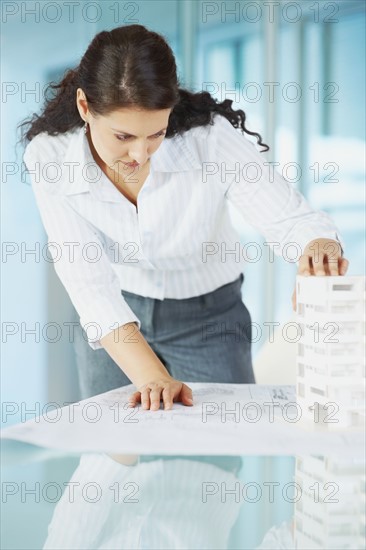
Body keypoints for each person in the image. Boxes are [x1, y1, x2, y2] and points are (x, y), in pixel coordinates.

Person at [19, 25, 349, 411]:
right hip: (115, 318)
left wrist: (316, 247)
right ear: (84, 107)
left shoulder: (208, 140)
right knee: (113, 458)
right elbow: (86, 281)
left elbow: (288, 218)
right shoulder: (50, 157)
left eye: (155, 134)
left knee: (222, 453)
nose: (140, 154)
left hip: (209, 317)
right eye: (123, 137)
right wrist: (149, 374)